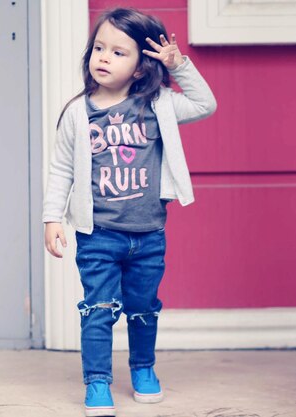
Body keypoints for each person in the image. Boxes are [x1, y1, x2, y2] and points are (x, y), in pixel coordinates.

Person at [43, 7, 216, 417]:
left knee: (142, 309)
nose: (103, 57)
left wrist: (180, 65)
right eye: (99, 48)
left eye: (119, 52)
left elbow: (205, 104)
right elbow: (61, 169)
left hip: (148, 234)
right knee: (97, 310)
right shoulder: (77, 113)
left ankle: (143, 369)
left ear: (141, 67)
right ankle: (98, 382)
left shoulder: (158, 105)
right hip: (97, 234)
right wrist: (52, 218)